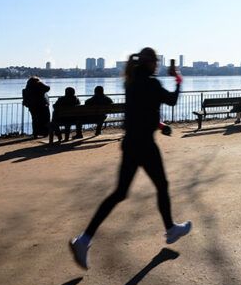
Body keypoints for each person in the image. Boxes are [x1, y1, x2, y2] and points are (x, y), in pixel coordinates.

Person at [70, 48, 191, 270]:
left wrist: (160, 125)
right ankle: (171, 229)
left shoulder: (131, 82)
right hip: (145, 145)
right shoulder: (152, 84)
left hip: (132, 143)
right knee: (161, 185)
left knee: (120, 193)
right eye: (155, 61)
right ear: (148, 62)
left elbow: (142, 112)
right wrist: (178, 78)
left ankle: (84, 239)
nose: (157, 65)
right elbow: (172, 101)